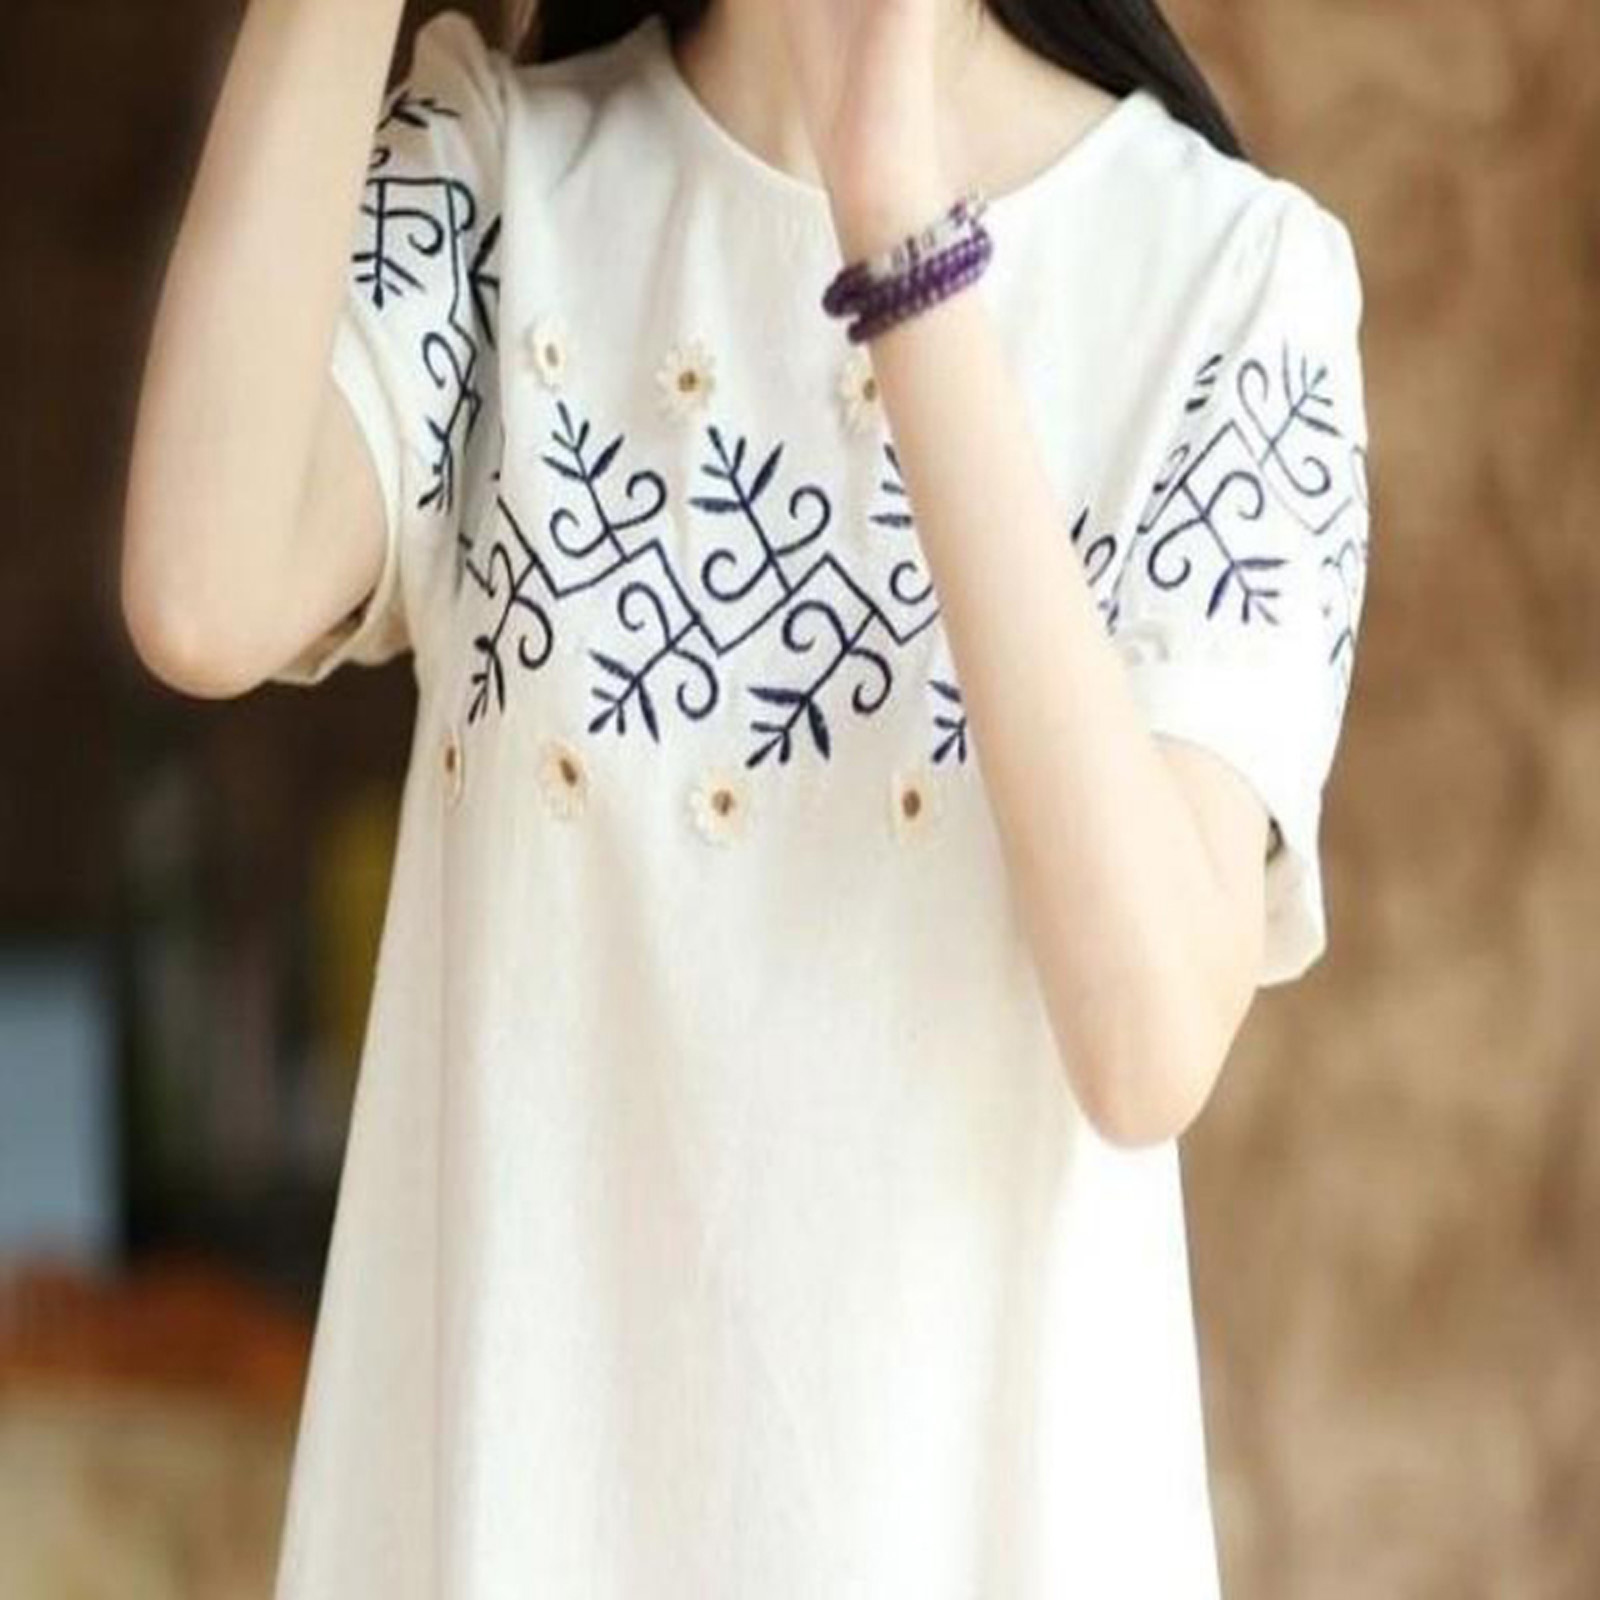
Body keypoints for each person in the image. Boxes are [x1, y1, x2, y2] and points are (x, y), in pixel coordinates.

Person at [120, 0, 1373, 1593]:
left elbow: (1145, 1042)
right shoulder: (507, 187)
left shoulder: (1230, 281)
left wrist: (893, 207)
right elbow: (203, 595)